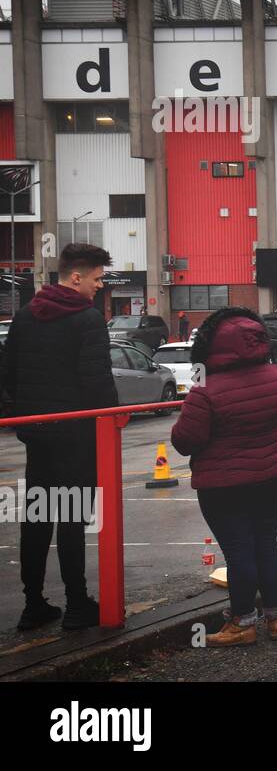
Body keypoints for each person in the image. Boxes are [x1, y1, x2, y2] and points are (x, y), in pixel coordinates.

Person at [171, 308, 277, 645]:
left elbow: (185, 442)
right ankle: (276, 619)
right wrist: (272, 448)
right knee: (266, 544)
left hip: (223, 485)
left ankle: (243, 623)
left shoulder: (204, 390)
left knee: (239, 552)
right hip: (272, 477)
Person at [5, 243, 118, 631]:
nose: (98, 287)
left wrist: (25, 418)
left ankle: (33, 604)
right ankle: (76, 604)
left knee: (37, 517)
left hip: (36, 435)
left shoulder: (24, 317)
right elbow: (98, 383)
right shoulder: (87, 321)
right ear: (75, 277)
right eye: (97, 279)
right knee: (72, 519)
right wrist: (111, 422)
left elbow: (9, 374)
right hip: (76, 437)